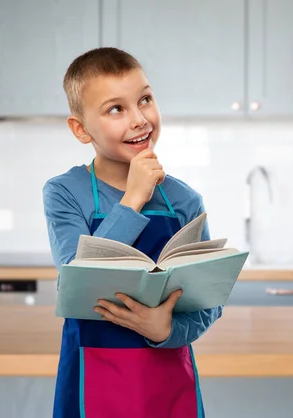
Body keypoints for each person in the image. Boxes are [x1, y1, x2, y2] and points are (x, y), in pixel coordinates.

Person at [42, 47, 222, 418]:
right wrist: (134, 198)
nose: (140, 119)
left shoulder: (184, 199)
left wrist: (167, 329)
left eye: (145, 100)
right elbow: (78, 277)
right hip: (91, 379)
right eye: (115, 109)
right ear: (80, 129)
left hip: (170, 381)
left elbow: (210, 301)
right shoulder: (64, 193)